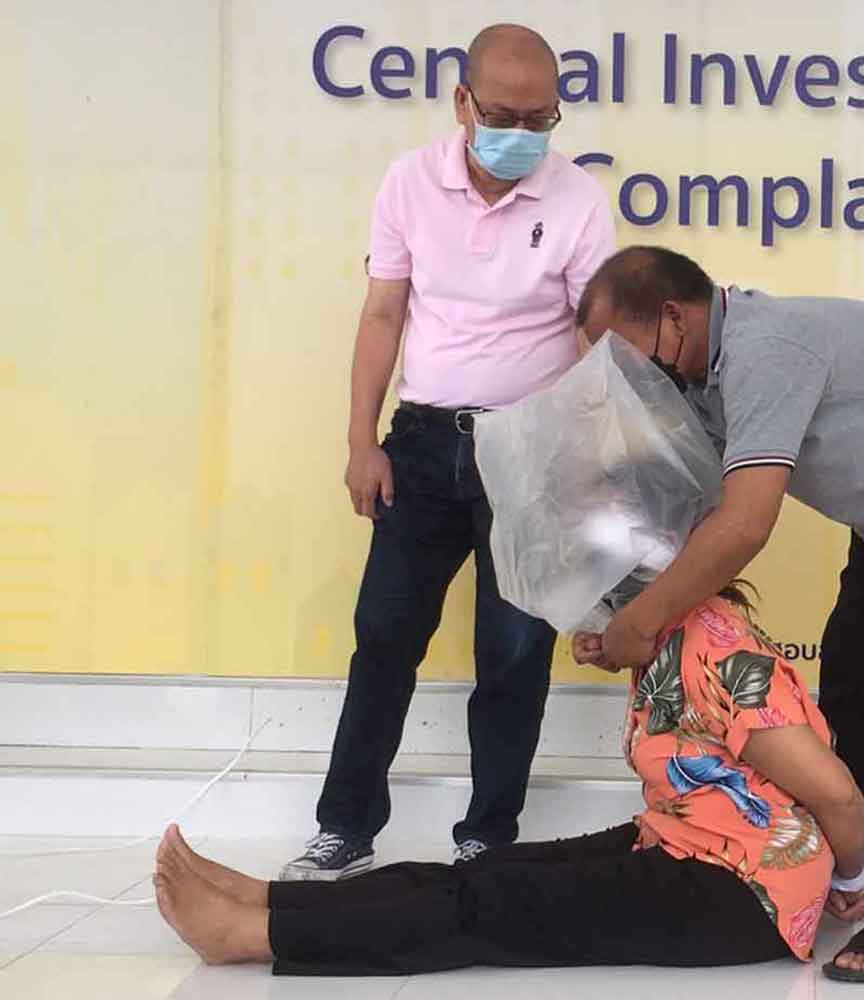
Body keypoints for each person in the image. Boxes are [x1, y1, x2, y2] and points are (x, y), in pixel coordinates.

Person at [572, 246, 864, 983]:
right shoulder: (696, 379)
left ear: (674, 317)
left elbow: (742, 525)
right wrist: (610, 605)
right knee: (859, 683)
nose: (620, 379)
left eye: (621, 356)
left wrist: (644, 625)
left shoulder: (766, 351)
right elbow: (681, 508)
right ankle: (835, 863)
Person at [285, 22, 615, 881]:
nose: (522, 134)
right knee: (384, 637)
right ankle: (345, 828)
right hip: (424, 444)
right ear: (463, 102)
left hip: (530, 454)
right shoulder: (408, 182)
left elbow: (594, 341)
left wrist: (577, 463)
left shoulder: (577, 199)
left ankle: (487, 840)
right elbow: (382, 316)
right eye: (504, 113)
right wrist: (362, 443)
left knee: (512, 656)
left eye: (541, 118)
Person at [153, 589, 864, 974]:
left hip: (744, 895)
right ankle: (272, 898)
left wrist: (845, 884)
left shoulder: (720, 651)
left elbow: (838, 794)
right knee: (491, 870)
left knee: (491, 905)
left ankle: (256, 936)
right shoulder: (669, 634)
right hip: (688, 846)